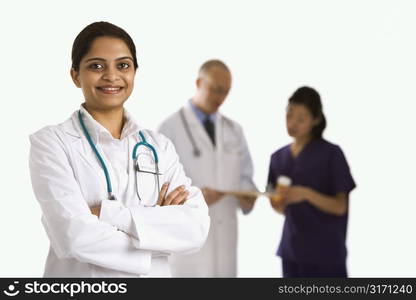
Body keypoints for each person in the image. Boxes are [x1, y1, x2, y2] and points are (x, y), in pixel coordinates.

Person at [29, 21, 210, 277]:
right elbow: (74, 236)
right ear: (75, 75)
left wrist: (106, 213)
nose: (111, 76)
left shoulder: (159, 146)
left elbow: (195, 228)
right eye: (96, 66)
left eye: (123, 65)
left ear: (135, 71)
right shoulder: (51, 143)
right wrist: (155, 236)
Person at [158, 60, 257, 277]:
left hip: (225, 238)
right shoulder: (169, 128)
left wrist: (248, 194)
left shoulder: (234, 130)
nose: (219, 98)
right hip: (189, 242)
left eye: (225, 92)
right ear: (199, 82)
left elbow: (245, 177)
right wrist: (194, 196)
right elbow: (158, 189)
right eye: (215, 89)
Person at [267, 86, 356, 277]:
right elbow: (278, 206)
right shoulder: (277, 158)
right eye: (289, 114)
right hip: (291, 252)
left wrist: (306, 194)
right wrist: (278, 203)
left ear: (315, 120)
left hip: (326, 254)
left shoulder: (332, 154)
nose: (292, 123)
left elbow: (340, 206)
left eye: (301, 118)